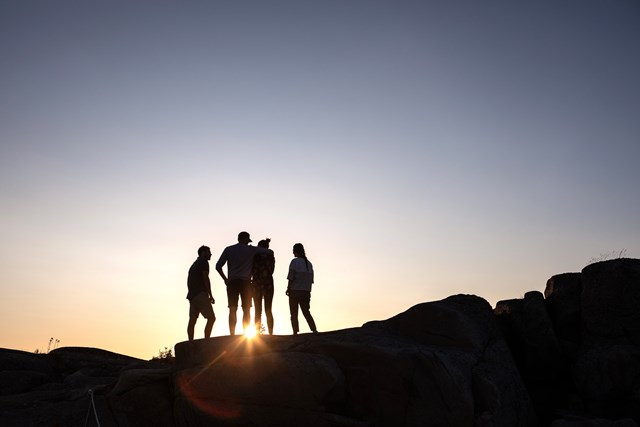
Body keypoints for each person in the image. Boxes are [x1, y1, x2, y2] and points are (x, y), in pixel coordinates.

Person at [215, 231, 273, 335]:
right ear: (246, 239)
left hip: (232, 282)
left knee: (232, 309)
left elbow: (218, 266)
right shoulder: (251, 249)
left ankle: (232, 334)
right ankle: (245, 333)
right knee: (246, 310)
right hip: (246, 283)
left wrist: (225, 279)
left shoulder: (229, 249)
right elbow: (270, 252)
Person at [286, 243, 318, 335]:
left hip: (295, 290)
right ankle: (314, 329)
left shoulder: (294, 262)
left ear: (295, 251)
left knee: (294, 313)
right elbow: (311, 280)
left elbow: (291, 277)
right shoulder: (309, 264)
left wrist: (288, 288)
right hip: (306, 291)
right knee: (306, 312)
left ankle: (295, 332)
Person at [186, 245, 215, 340]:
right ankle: (206, 341)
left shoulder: (194, 264)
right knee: (211, 318)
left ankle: (191, 341)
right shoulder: (203, 262)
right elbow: (205, 278)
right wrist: (210, 295)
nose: (210, 254)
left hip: (192, 295)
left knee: (192, 320)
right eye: (209, 252)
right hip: (200, 294)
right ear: (203, 252)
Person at [252, 238, 275, 334]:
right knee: (268, 310)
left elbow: (252, 270)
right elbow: (272, 270)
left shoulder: (255, 256)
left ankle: (257, 333)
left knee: (258, 311)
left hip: (257, 284)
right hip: (268, 283)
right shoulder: (271, 256)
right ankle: (271, 333)